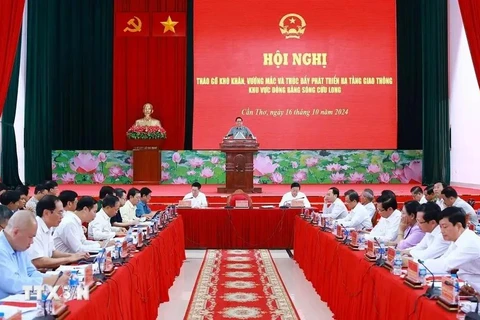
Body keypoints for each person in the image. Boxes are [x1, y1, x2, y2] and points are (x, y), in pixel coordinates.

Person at [0, 210, 69, 299]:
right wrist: (46, 281)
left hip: (22, 298)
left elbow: (31, 273)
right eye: (30, 237)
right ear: (15, 232)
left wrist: (55, 277)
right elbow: (13, 284)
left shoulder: (18, 246)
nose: (32, 242)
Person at [424, 207, 480, 291]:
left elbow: (446, 265)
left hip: (475, 288)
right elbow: (443, 260)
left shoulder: (470, 243)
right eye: (441, 227)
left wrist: (415, 264)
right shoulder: (457, 239)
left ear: (458, 226)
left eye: (445, 227)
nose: (442, 231)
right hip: (466, 285)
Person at [27, 195, 88, 269]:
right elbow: (38, 261)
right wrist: (68, 259)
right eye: (60, 213)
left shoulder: (48, 227)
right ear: (46, 213)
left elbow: (52, 253)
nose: (62, 216)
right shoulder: (35, 229)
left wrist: (73, 256)